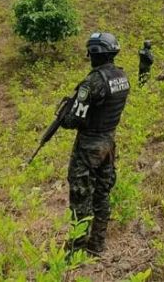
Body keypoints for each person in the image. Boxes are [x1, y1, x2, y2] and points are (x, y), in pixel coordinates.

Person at [60, 32, 130, 256]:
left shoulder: (93, 82)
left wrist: (65, 117)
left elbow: (75, 119)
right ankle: (97, 243)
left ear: (96, 53)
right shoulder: (122, 77)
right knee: (102, 193)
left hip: (89, 146)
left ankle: (76, 251)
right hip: (109, 142)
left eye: (90, 52)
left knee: (81, 197)